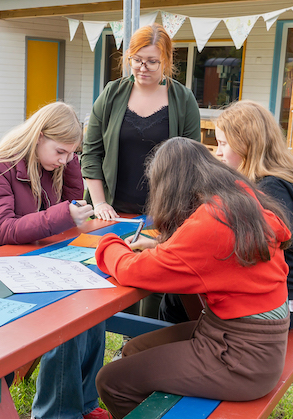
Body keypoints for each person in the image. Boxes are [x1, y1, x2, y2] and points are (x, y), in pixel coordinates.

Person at [94, 137, 292, 419]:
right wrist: (161, 248)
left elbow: (131, 271)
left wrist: (108, 243)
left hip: (239, 358)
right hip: (246, 343)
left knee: (111, 381)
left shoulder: (212, 221)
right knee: (135, 349)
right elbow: (206, 256)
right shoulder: (239, 200)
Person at [0, 102, 110, 419]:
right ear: (38, 136)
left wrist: (71, 163)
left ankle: (83, 398)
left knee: (93, 304)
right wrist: (62, 214)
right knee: (65, 313)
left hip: (34, 261)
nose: (63, 160)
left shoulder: (53, 165)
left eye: (70, 154)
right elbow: (2, 229)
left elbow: (72, 205)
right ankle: (53, 413)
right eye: (60, 151)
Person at [81, 23, 201, 321]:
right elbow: (91, 152)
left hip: (163, 211)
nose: (142, 68)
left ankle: (139, 345)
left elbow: (191, 161)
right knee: (109, 281)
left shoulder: (183, 100)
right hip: (113, 210)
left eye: (151, 61)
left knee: (155, 283)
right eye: (136, 59)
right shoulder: (112, 94)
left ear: (167, 61)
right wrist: (100, 204)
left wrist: (173, 212)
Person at [214, 100, 293, 329]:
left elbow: (266, 243)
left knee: (187, 300)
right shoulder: (270, 182)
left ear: (247, 145)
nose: (218, 152)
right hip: (280, 298)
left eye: (224, 143)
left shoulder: (270, 188)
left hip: (283, 304)